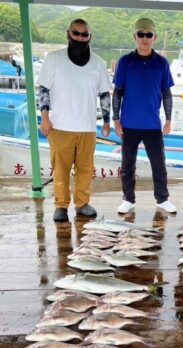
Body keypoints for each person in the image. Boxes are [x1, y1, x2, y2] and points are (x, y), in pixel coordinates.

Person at [38, 18, 112, 222]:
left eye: (84, 34)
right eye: (76, 33)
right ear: (68, 34)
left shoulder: (99, 63)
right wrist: (45, 117)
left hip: (87, 127)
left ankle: (82, 203)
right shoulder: (53, 59)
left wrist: (106, 122)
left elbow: (105, 94)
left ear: (90, 37)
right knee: (60, 169)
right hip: (60, 125)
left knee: (85, 169)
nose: (80, 37)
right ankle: (61, 205)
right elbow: (44, 90)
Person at [112, 18, 177, 215]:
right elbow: (118, 92)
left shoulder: (162, 63)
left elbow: (166, 93)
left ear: (154, 37)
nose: (145, 38)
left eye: (149, 35)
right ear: (135, 36)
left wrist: (168, 119)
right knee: (127, 163)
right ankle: (128, 199)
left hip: (152, 124)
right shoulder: (125, 61)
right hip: (129, 124)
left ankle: (162, 199)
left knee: (158, 163)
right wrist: (115, 119)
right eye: (141, 34)